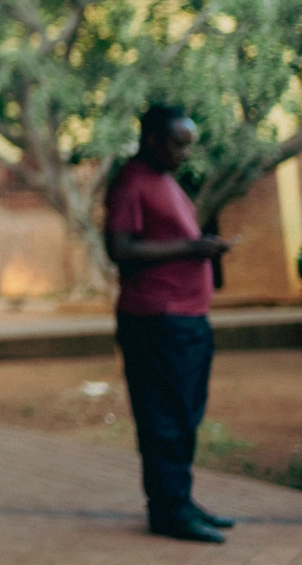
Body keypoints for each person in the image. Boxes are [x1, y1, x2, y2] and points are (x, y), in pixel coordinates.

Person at [105, 104, 236, 544]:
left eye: (188, 145)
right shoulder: (131, 181)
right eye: (178, 143)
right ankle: (168, 512)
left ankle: (180, 502)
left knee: (184, 416)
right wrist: (190, 248)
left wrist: (199, 247)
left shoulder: (165, 180)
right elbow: (120, 248)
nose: (184, 153)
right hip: (156, 320)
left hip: (186, 318)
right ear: (153, 139)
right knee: (164, 419)